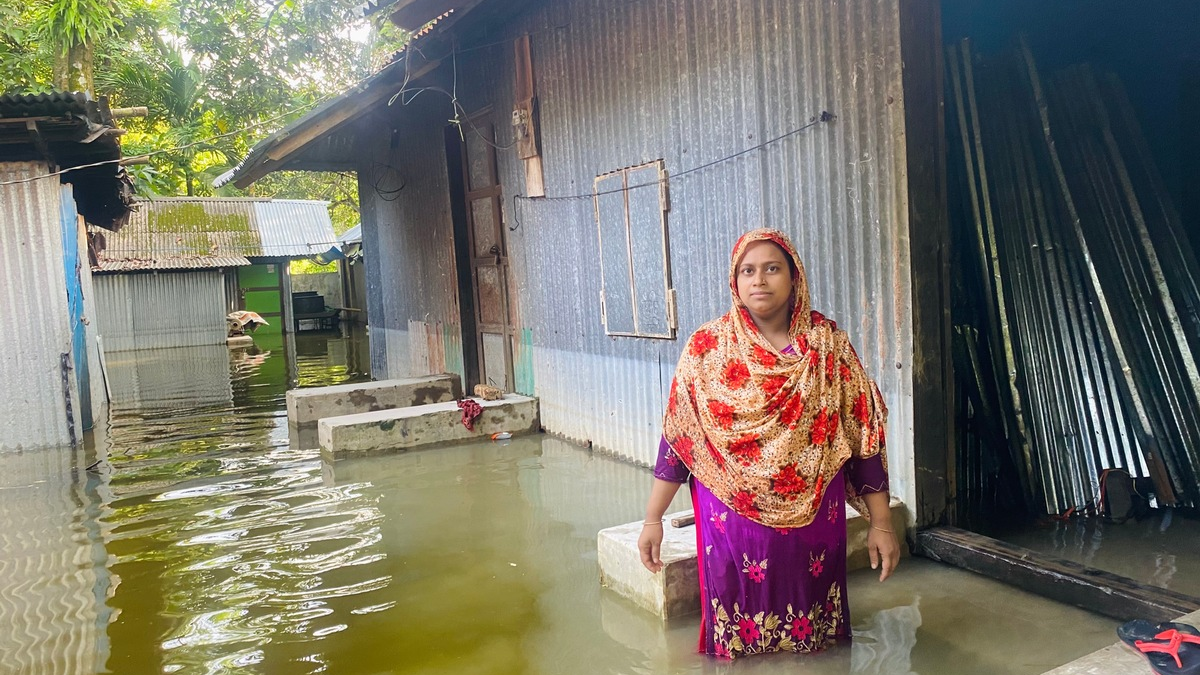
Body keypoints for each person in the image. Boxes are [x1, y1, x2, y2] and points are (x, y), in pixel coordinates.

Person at [638, 228, 899, 660]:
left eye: (772, 268)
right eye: (748, 270)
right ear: (735, 282)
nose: (759, 280)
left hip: (814, 520)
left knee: (812, 643)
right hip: (731, 523)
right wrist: (653, 519)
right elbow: (680, 439)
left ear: (794, 277)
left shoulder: (828, 345)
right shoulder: (707, 348)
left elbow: (862, 434)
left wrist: (882, 524)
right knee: (739, 642)